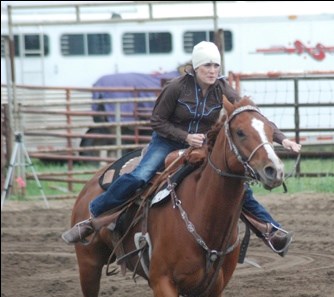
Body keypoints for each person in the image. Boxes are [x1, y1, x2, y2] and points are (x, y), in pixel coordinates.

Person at [61, 41, 301, 256]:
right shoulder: (175, 87)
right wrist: (185, 137)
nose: (212, 71)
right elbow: (157, 122)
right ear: (196, 67)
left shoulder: (222, 88)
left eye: (216, 66)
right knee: (140, 176)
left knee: (235, 184)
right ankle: (92, 218)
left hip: (202, 145)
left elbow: (250, 117)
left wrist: (282, 139)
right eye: (207, 65)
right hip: (167, 142)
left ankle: (270, 230)